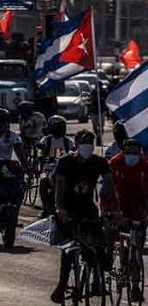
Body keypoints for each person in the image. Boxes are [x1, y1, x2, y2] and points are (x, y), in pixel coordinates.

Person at [51, 130, 115, 304]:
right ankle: (62, 284)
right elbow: (59, 186)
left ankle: (97, 280)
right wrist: (60, 208)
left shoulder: (99, 162)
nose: (87, 145)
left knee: (99, 245)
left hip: (88, 209)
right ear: (76, 144)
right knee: (68, 249)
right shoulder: (65, 162)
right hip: (68, 210)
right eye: (84, 142)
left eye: (90, 142)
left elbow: (109, 184)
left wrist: (111, 209)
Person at [107, 138, 148, 302]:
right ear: (122, 153)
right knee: (111, 233)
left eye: (135, 153)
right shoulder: (114, 163)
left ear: (140, 153)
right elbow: (108, 189)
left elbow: (146, 195)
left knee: (136, 247)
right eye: (128, 153)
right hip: (118, 203)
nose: (132, 156)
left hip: (138, 205)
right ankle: (110, 260)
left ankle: (136, 286)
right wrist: (114, 212)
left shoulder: (145, 166)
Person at [37, 115, 75, 217]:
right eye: (58, 127)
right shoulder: (46, 140)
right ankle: (45, 207)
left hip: (64, 169)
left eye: (62, 127)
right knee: (43, 181)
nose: (60, 129)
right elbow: (41, 150)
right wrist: (41, 156)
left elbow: (74, 151)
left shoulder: (69, 141)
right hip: (49, 168)